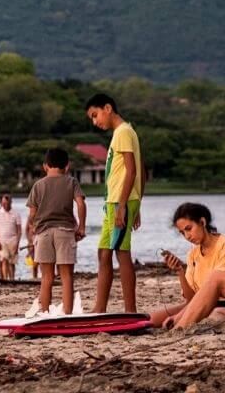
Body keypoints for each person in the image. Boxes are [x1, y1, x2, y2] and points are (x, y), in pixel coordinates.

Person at [86, 92, 145, 313]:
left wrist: (126, 205)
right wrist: (136, 204)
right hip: (114, 203)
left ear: (107, 108)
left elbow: (133, 170)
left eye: (95, 115)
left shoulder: (123, 132)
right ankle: (99, 308)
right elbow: (142, 172)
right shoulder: (123, 133)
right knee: (103, 252)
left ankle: (131, 310)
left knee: (122, 253)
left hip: (119, 203)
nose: (95, 121)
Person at [150, 203, 225, 328]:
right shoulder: (193, 254)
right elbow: (191, 299)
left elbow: (217, 290)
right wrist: (180, 271)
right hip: (199, 304)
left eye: (189, 229)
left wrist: (180, 316)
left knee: (204, 316)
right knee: (151, 320)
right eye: (182, 233)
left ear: (202, 222)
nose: (187, 236)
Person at [26, 148, 87, 314]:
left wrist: (34, 230)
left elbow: (32, 215)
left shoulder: (38, 185)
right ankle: (67, 313)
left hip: (43, 234)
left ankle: (44, 312)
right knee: (66, 276)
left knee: (46, 277)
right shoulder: (71, 182)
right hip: (65, 232)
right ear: (67, 167)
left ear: (45, 166)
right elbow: (81, 204)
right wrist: (81, 226)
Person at [0, 194, 22, 281]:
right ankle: (5, 280)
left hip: (13, 240)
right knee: (4, 260)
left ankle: (12, 279)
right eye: (4, 203)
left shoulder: (16, 214)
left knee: (12, 262)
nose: (6, 205)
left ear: (11, 202)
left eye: (7, 203)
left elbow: (19, 230)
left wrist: (17, 243)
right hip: (2, 240)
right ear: (1, 203)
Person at [25, 215, 39, 280]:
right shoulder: (30, 217)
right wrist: (29, 240)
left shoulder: (42, 215)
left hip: (39, 243)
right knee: (34, 264)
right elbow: (26, 230)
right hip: (31, 244)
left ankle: (42, 278)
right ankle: (35, 278)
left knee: (41, 263)